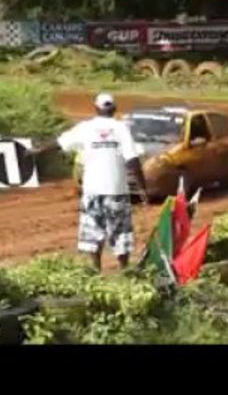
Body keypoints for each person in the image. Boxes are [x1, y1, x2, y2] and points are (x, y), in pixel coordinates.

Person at [29, 93, 148, 272]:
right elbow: (132, 160)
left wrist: (38, 150)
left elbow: (59, 143)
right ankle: (125, 270)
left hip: (92, 190)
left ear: (96, 108)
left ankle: (95, 270)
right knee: (120, 232)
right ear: (114, 109)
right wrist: (142, 187)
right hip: (116, 190)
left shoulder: (85, 128)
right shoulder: (121, 128)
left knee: (93, 233)